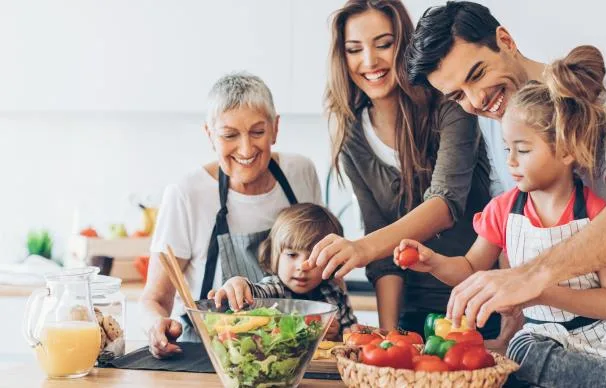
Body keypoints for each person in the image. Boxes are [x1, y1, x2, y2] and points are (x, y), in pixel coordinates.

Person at [397, 45, 606, 388]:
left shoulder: (599, 216)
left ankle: (594, 375)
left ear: (567, 150)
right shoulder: (503, 211)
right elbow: (469, 269)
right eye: (507, 148)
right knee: (525, 351)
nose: (510, 161)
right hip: (553, 339)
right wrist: (434, 262)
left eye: (523, 150)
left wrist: (537, 290)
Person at [406, 1, 606, 332]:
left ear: (505, 40)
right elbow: (510, 233)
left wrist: (532, 277)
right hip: (548, 334)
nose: (476, 101)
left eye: (477, 74)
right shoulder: (495, 118)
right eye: (458, 96)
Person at [302, 0, 509, 342]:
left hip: (478, 304)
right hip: (413, 313)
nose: (369, 61)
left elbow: (445, 205)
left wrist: (361, 248)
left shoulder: (452, 103)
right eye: (355, 49)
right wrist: (388, 337)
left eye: (384, 44)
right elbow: (383, 256)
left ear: (405, 45)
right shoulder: (352, 134)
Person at [140, 72, 322, 358]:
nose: (246, 149)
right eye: (229, 135)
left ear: (275, 128)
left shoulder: (300, 173)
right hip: (210, 358)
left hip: (292, 355)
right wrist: (156, 326)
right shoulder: (187, 193)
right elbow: (155, 298)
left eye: (258, 132)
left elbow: (326, 267)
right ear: (210, 135)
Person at [208, 203, 358, 341]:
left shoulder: (335, 293)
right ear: (275, 256)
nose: (302, 266)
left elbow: (353, 336)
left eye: (314, 258)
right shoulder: (275, 288)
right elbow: (255, 293)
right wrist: (239, 284)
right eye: (292, 255)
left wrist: (339, 334)